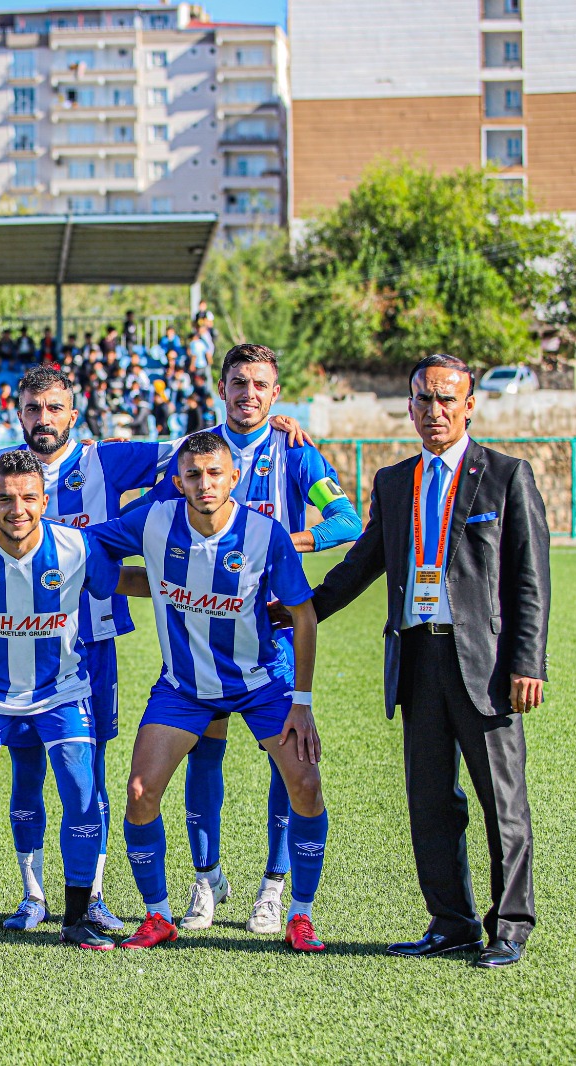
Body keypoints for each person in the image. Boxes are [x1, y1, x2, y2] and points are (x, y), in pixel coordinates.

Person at [309, 353, 548, 969]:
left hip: (486, 666)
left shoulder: (507, 476)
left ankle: (510, 926)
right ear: (410, 406)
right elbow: (361, 565)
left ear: (469, 405)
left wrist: (527, 663)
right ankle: (452, 923)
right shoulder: (395, 482)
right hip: (417, 658)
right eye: (423, 398)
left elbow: (529, 580)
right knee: (430, 802)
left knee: (501, 801)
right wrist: (301, 612)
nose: (434, 410)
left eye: (447, 399)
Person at [130, 343, 361, 935]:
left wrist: (277, 545)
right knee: (203, 754)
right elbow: (153, 518)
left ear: (275, 393)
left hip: (271, 630)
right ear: (222, 388)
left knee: (287, 767)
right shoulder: (196, 453)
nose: (248, 394)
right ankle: (206, 878)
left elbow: (347, 522)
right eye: (238, 382)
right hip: (201, 634)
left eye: (260, 385)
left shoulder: (295, 451)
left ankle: (274, 887)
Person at [87, 431, 331, 953]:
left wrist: (303, 701)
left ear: (233, 478)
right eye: (193, 475)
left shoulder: (265, 534)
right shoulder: (154, 521)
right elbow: (90, 544)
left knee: (306, 785)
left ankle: (300, 914)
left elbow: (305, 617)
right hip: (185, 686)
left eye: (215, 473)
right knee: (139, 792)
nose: (205, 484)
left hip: (262, 683)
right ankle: (158, 916)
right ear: (177, 482)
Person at [0, 450, 125, 951]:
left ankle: (77, 917)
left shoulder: (76, 546)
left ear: (45, 500)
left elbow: (113, 579)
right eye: (5, 498)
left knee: (82, 792)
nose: (18, 509)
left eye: (29, 498)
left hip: (61, 692)